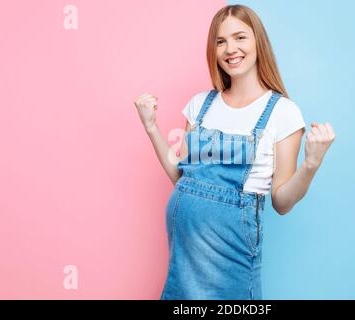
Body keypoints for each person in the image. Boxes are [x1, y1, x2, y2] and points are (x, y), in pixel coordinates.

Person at [133, 4, 335, 300]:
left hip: (232, 252)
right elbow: (183, 177)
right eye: (221, 41)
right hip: (182, 256)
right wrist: (151, 128)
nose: (231, 49)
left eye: (240, 37)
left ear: (258, 42)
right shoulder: (200, 105)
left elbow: (281, 202)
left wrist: (312, 164)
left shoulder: (283, 112)